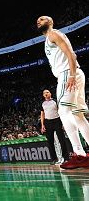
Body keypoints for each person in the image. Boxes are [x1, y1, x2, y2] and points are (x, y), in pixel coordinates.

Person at [37, 16, 89, 169]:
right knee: (78, 115)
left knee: (64, 111)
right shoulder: (48, 39)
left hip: (68, 73)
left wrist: (71, 74)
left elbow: (71, 54)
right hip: (73, 73)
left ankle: (79, 154)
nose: (38, 21)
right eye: (37, 20)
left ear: (51, 22)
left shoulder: (54, 34)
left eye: (42, 19)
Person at [41, 89, 68, 165]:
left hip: (57, 120)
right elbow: (42, 114)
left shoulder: (55, 101)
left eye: (47, 92)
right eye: (44, 93)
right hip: (47, 122)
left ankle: (66, 158)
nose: (46, 93)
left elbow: (61, 111)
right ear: (43, 95)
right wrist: (42, 125)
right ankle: (54, 159)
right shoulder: (42, 103)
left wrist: (63, 122)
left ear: (50, 93)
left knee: (62, 140)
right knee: (50, 142)